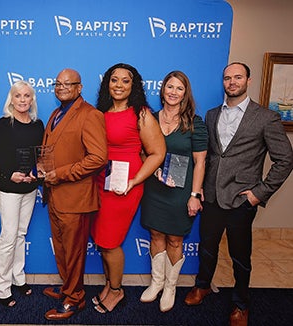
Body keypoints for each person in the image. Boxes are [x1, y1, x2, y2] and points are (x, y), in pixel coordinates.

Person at [184, 62, 293, 326]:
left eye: (237, 77)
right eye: (227, 78)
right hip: (211, 196)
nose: (232, 82)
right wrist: (197, 192)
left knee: (240, 256)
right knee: (207, 248)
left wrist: (259, 193)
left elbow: (286, 159)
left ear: (248, 80)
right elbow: (208, 156)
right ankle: (203, 285)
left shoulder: (266, 117)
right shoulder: (210, 115)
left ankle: (241, 304)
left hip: (242, 200)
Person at [90, 63, 166, 314]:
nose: (119, 85)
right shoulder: (102, 112)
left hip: (125, 186)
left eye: (125, 81)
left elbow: (157, 153)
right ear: (107, 84)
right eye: (114, 80)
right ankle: (109, 285)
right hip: (101, 182)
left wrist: (135, 180)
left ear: (133, 86)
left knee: (110, 241)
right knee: (101, 239)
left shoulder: (141, 114)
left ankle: (116, 290)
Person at [41, 68, 107, 321]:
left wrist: (61, 173)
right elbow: (50, 149)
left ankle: (75, 298)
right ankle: (68, 286)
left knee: (74, 251)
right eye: (57, 84)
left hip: (76, 198)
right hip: (54, 195)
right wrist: (42, 167)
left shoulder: (90, 115)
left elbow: (98, 158)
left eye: (68, 84)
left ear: (79, 88)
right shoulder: (56, 113)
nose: (61, 88)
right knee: (62, 249)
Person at [139, 71, 208, 312]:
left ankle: (170, 287)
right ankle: (157, 283)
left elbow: (200, 162)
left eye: (179, 88)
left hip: (181, 191)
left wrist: (194, 195)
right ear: (163, 89)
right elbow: (142, 152)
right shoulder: (150, 118)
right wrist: (153, 169)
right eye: (170, 87)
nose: (173, 92)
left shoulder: (194, 123)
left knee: (175, 239)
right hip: (154, 188)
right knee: (156, 235)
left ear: (185, 93)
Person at [0, 81, 44, 307]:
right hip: (9, 188)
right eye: (18, 95)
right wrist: (9, 174)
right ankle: (1, 287)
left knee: (20, 234)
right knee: (8, 236)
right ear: (11, 99)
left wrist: (36, 172)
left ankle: (17, 278)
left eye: (27, 96)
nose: (22, 100)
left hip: (30, 187)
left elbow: (39, 157)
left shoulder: (38, 125)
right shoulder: (3, 125)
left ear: (32, 100)